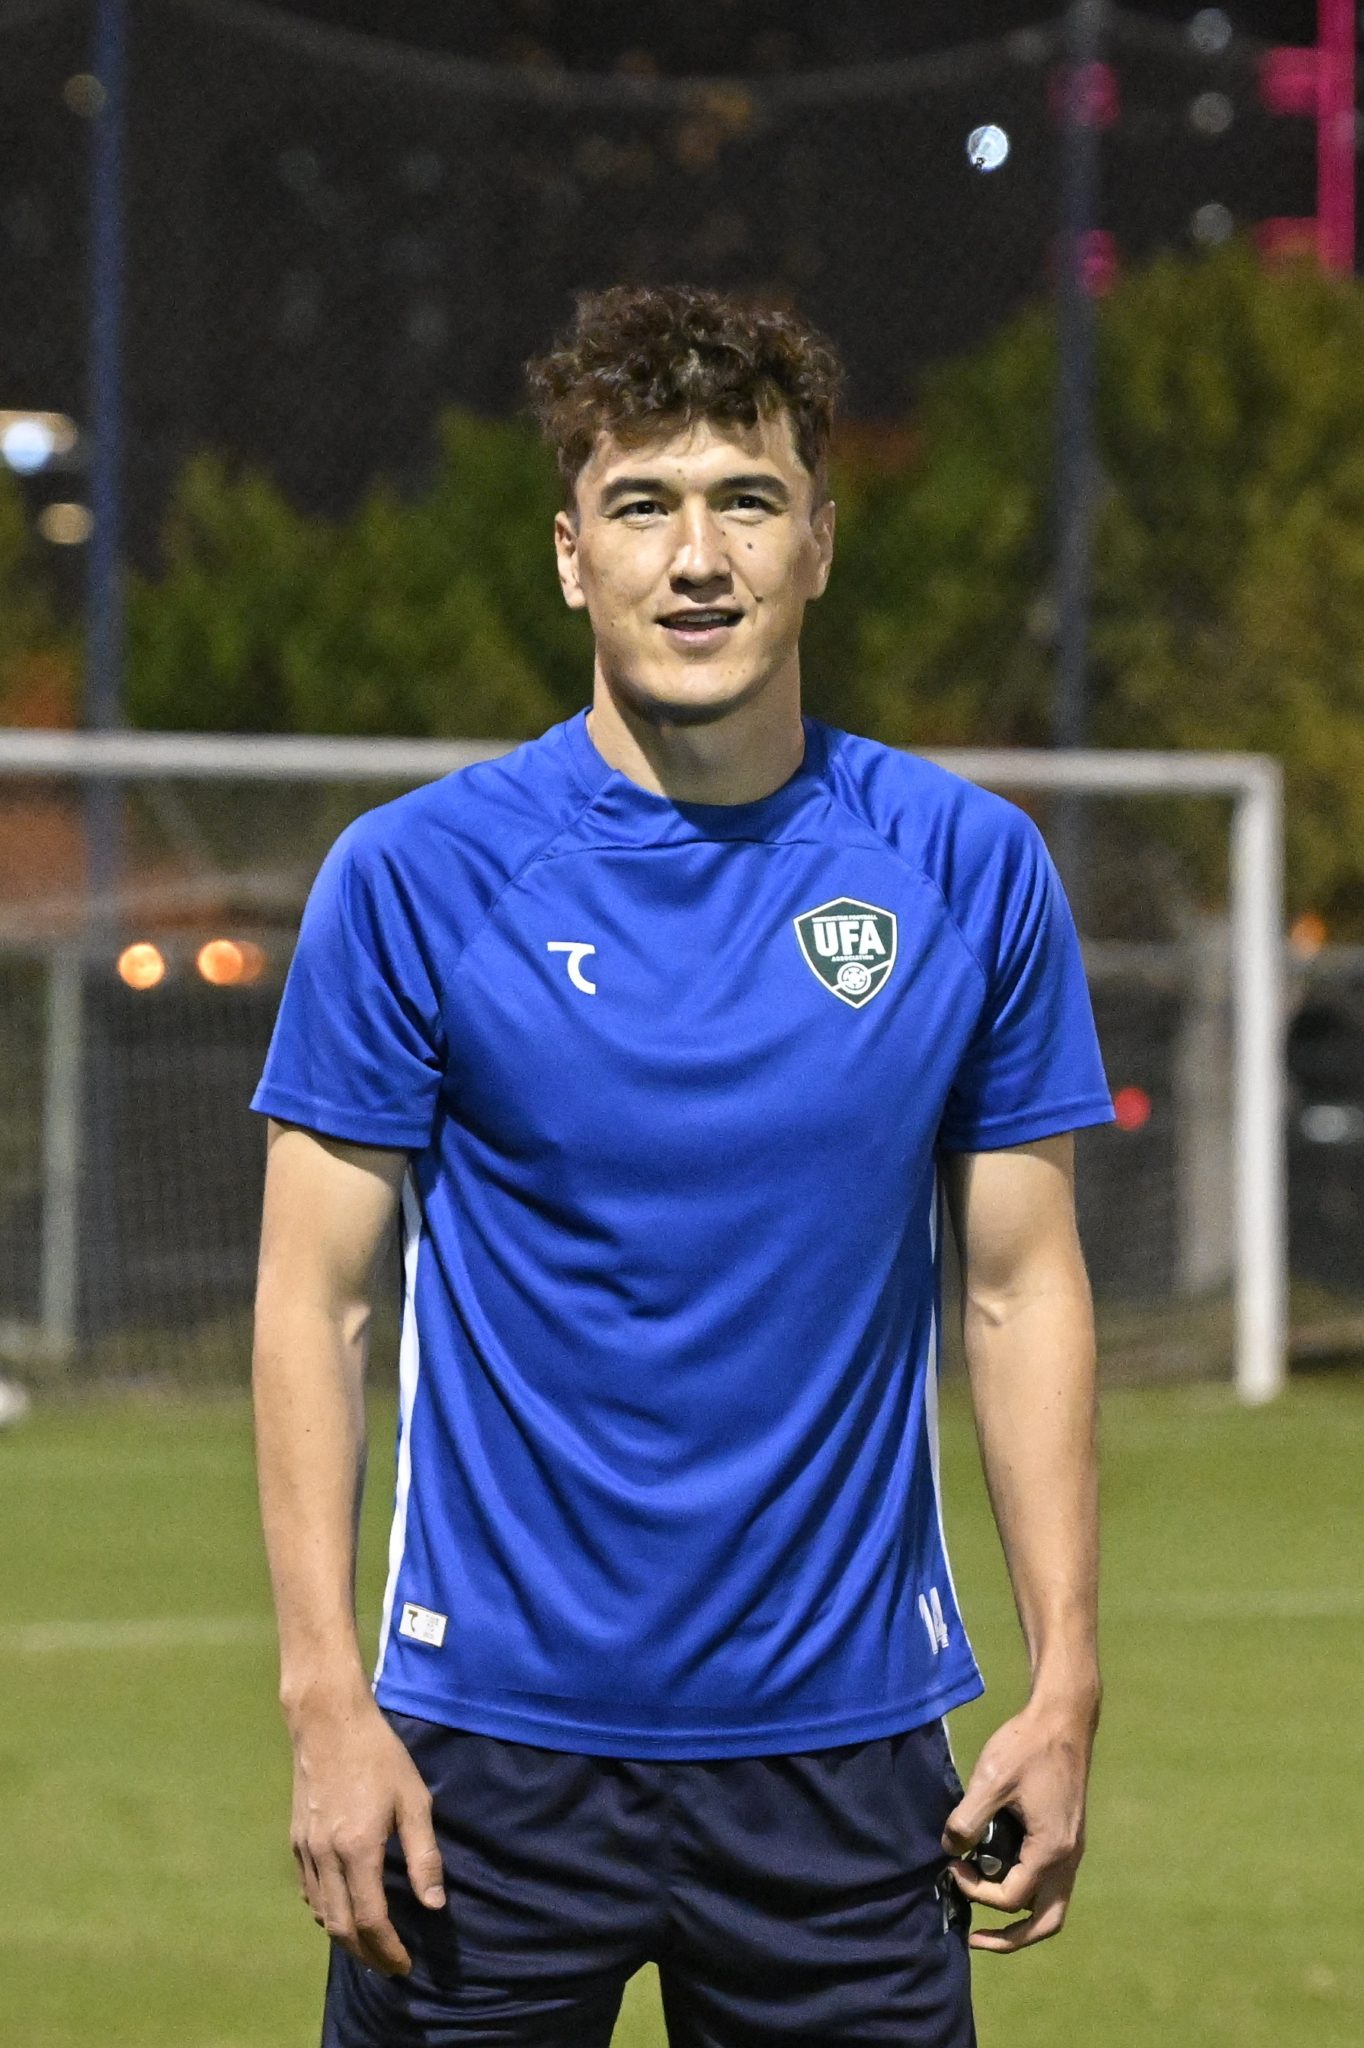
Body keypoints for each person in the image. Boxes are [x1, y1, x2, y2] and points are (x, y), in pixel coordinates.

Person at [251, 283, 1114, 2048]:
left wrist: (1067, 1679)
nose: (697, 558)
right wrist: (325, 1698)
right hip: (482, 1762)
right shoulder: (415, 879)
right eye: (642, 505)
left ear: (819, 544)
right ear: (574, 556)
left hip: (850, 1767)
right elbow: (314, 1304)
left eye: (747, 501)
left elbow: (1021, 1287)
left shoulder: (970, 871)